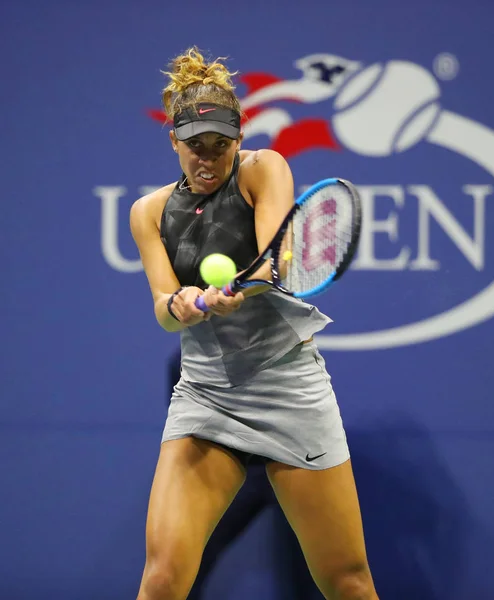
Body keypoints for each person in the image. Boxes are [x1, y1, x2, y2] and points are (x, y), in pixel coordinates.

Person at [130, 46, 379, 600]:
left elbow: (273, 258)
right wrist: (189, 304)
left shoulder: (265, 169)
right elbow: (162, 306)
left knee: (347, 581)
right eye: (196, 146)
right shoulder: (148, 212)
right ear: (173, 141)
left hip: (290, 390)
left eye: (221, 145)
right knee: (163, 578)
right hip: (205, 394)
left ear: (239, 140)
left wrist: (239, 288)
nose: (209, 159)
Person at [166, 350, 322, 600]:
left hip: (292, 466)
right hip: (234, 471)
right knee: (190, 556)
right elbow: (185, 424)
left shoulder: (288, 350)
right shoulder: (185, 360)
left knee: (316, 568)